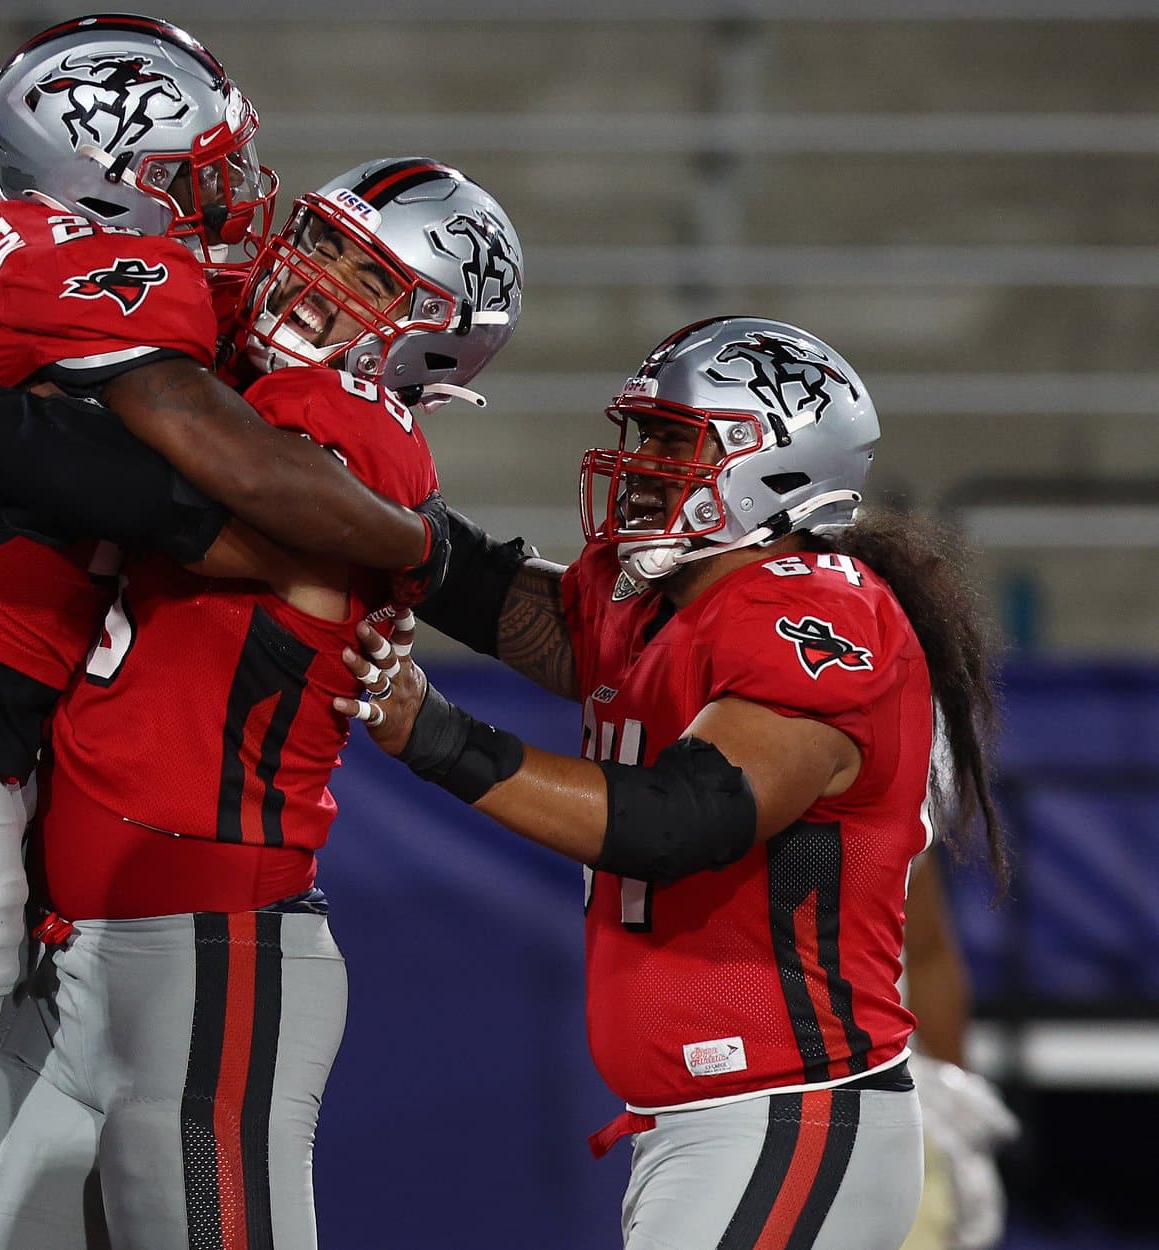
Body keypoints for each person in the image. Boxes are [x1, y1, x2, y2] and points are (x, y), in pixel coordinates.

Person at [0, 16, 452, 1241]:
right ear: (112, 171)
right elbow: (223, 467)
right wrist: (420, 548)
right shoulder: (89, 265)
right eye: (197, 170)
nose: (236, 199)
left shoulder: (87, 251)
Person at [0, 159, 521, 1250]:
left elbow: (146, 483)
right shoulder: (245, 394)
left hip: (210, 944)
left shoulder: (347, 422)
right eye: (319, 242)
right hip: (76, 940)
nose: (316, 280)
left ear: (435, 335)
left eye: (366, 272)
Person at [341, 317, 1006, 1250]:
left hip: (788, 1108)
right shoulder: (669, 598)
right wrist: (351, 496)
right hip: (718, 1120)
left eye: (671, 440)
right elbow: (491, 592)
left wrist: (433, 733)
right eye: (645, 435)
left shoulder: (814, 615)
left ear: (772, 464)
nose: (643, 463)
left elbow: (680, 821)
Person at [901, 850, 1019, 1250]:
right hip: (734, 1104)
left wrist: (954, 1117)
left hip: (886, 1109)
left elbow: (926, 951)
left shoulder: (904, 800)